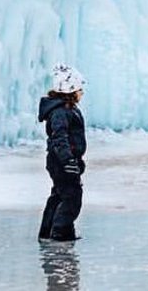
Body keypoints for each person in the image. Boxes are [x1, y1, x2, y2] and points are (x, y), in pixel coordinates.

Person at [38, 64, 87, 242]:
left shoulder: (66, 110)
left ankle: (47, 231)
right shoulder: (60, 112)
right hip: (61, 161)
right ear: (70, 90)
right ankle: (60, 232)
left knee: (59, 195)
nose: (82, 92)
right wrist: (67, 160)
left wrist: (75, 160)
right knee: (72, 197)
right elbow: (59, 138)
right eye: (80, 89)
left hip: (61, 160)